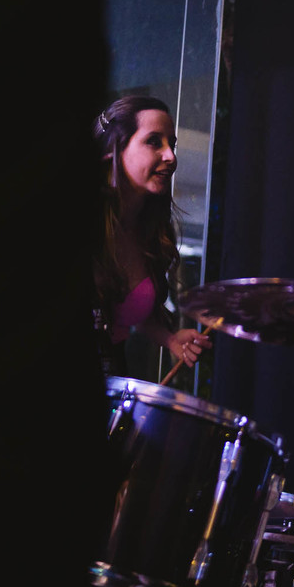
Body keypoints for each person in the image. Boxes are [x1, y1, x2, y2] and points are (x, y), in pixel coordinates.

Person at [91, 95, 211, 380]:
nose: (171, 156)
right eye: (154, 141)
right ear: (114, 151)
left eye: (172, 144)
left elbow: (127, 309)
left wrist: (169, 338)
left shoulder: (149, 231)